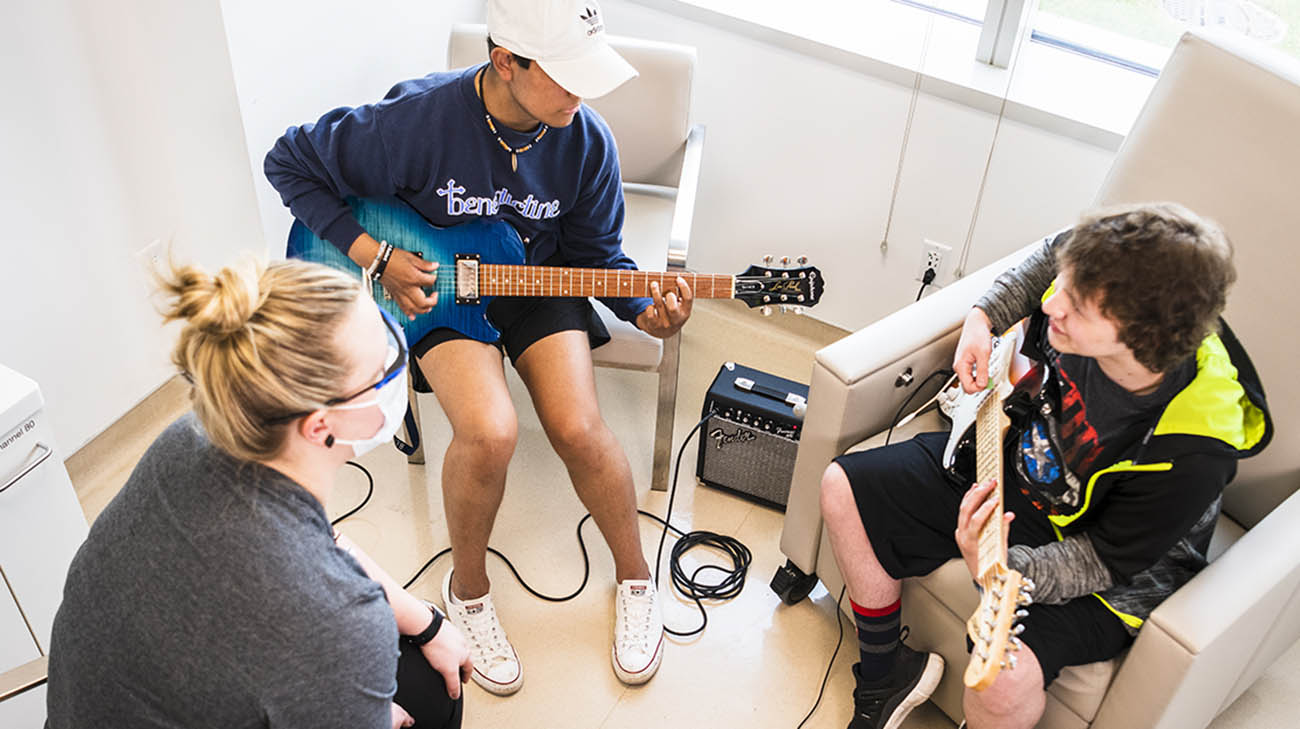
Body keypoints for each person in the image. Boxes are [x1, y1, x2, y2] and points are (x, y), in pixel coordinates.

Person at [263, 0, 689, 694]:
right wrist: (375, 258)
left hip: (536, 279)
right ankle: (468, 592)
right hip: (434, 284)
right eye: (566, 76)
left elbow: (597, 257)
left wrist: (647, 309)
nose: (582, 96)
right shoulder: (416, 119)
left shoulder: (586, 142)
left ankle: (636, 580)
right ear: (505, 63)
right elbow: (290, 162)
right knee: (490, 432)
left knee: (581, 427)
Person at [817, 202, 1272, 729]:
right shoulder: (1093, 273)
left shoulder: (1196, 450)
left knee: (1003, 681)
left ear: (1139, 337)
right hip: (1023, 475)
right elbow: (1048, 261)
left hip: (1104, 562)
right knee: (842, 487)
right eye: (1064, 287)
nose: (1052, 304)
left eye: (1076, 307)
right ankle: (884, 677)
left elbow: (1103, 561)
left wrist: (1000, 567)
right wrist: (982, 318)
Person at [46, 258, 472, 729]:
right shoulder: (342, 622)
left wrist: (427, 623)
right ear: (320, 426)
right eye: (381, 369)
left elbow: (318, 542)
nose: (397, 366)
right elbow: (317, 601)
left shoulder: (195, 437)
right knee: (438, 701)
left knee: (424, 675)